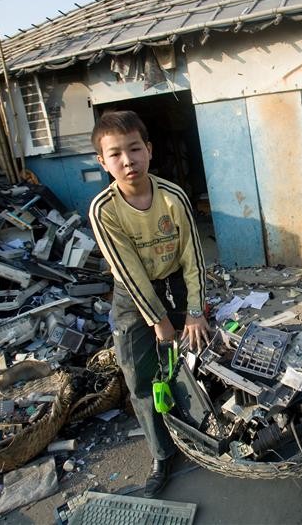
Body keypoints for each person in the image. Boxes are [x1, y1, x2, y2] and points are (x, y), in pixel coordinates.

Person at [89, 110, 210, 498]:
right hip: (132, 296)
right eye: (116, 154)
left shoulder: (173, 197)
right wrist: (158, 321)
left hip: (174, 282)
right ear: (103, 162)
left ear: (150, 150)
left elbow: (193, 257)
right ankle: (162, 453)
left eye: (135, 149)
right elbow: (128, 272)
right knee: (141, 378)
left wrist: (195, 310)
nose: (128, 160)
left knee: (191, 363)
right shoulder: (103, 210)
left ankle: (200, 432)